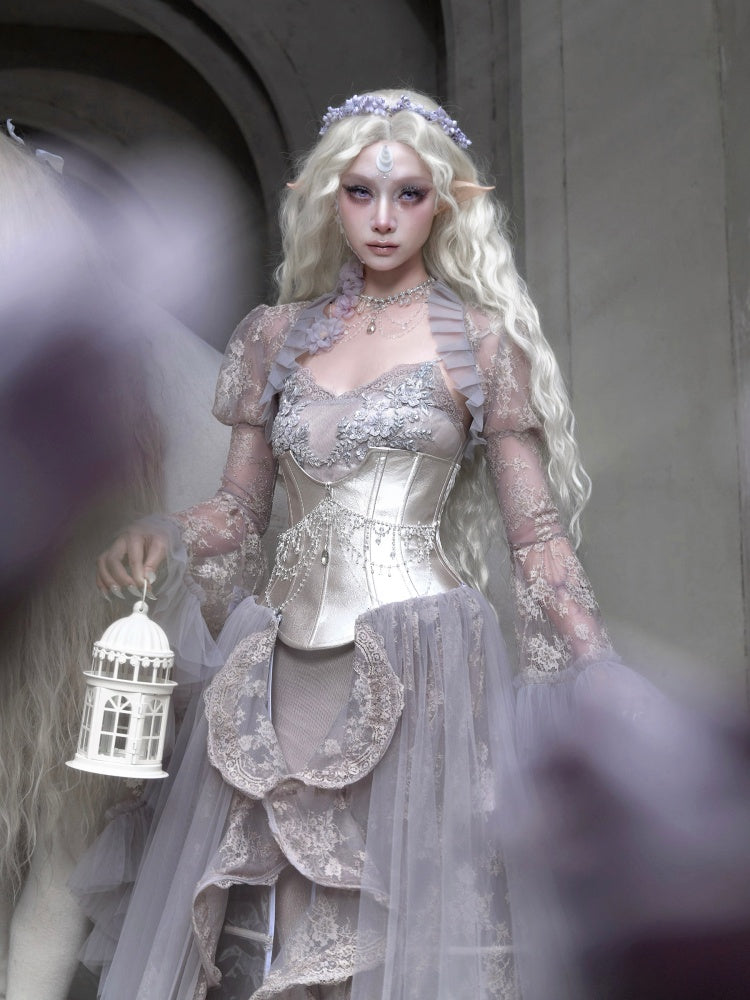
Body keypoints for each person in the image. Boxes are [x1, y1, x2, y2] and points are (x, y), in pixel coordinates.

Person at [86, 89, 624, 1000]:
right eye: (361, 193)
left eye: (409, 194)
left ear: (444, 204)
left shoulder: (482, 343)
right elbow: (239, 508)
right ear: (326, 198)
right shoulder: (272, 337)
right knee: (271, 919)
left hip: (423, 657)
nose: (383, 218)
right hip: (279, 659)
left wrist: (593, 659)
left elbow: (534, 534)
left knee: (403, 916)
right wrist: (166, 529)